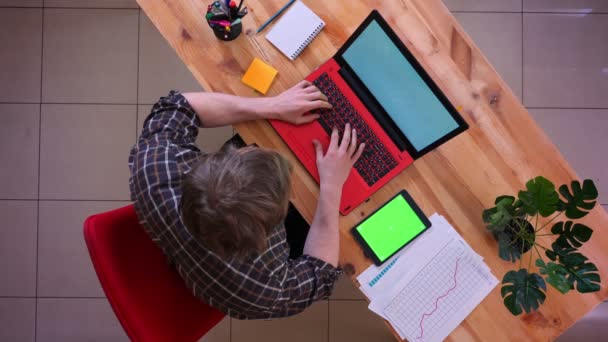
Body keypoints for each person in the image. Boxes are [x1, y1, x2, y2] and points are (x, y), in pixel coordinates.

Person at [129, 81, 365, 319]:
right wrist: (332, 186)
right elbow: (320, 272)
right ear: (275, 221)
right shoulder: (267, 292)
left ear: (216, 164)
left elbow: (180, 106)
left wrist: (272, 105)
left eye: (244, 153)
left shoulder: (154, 167)